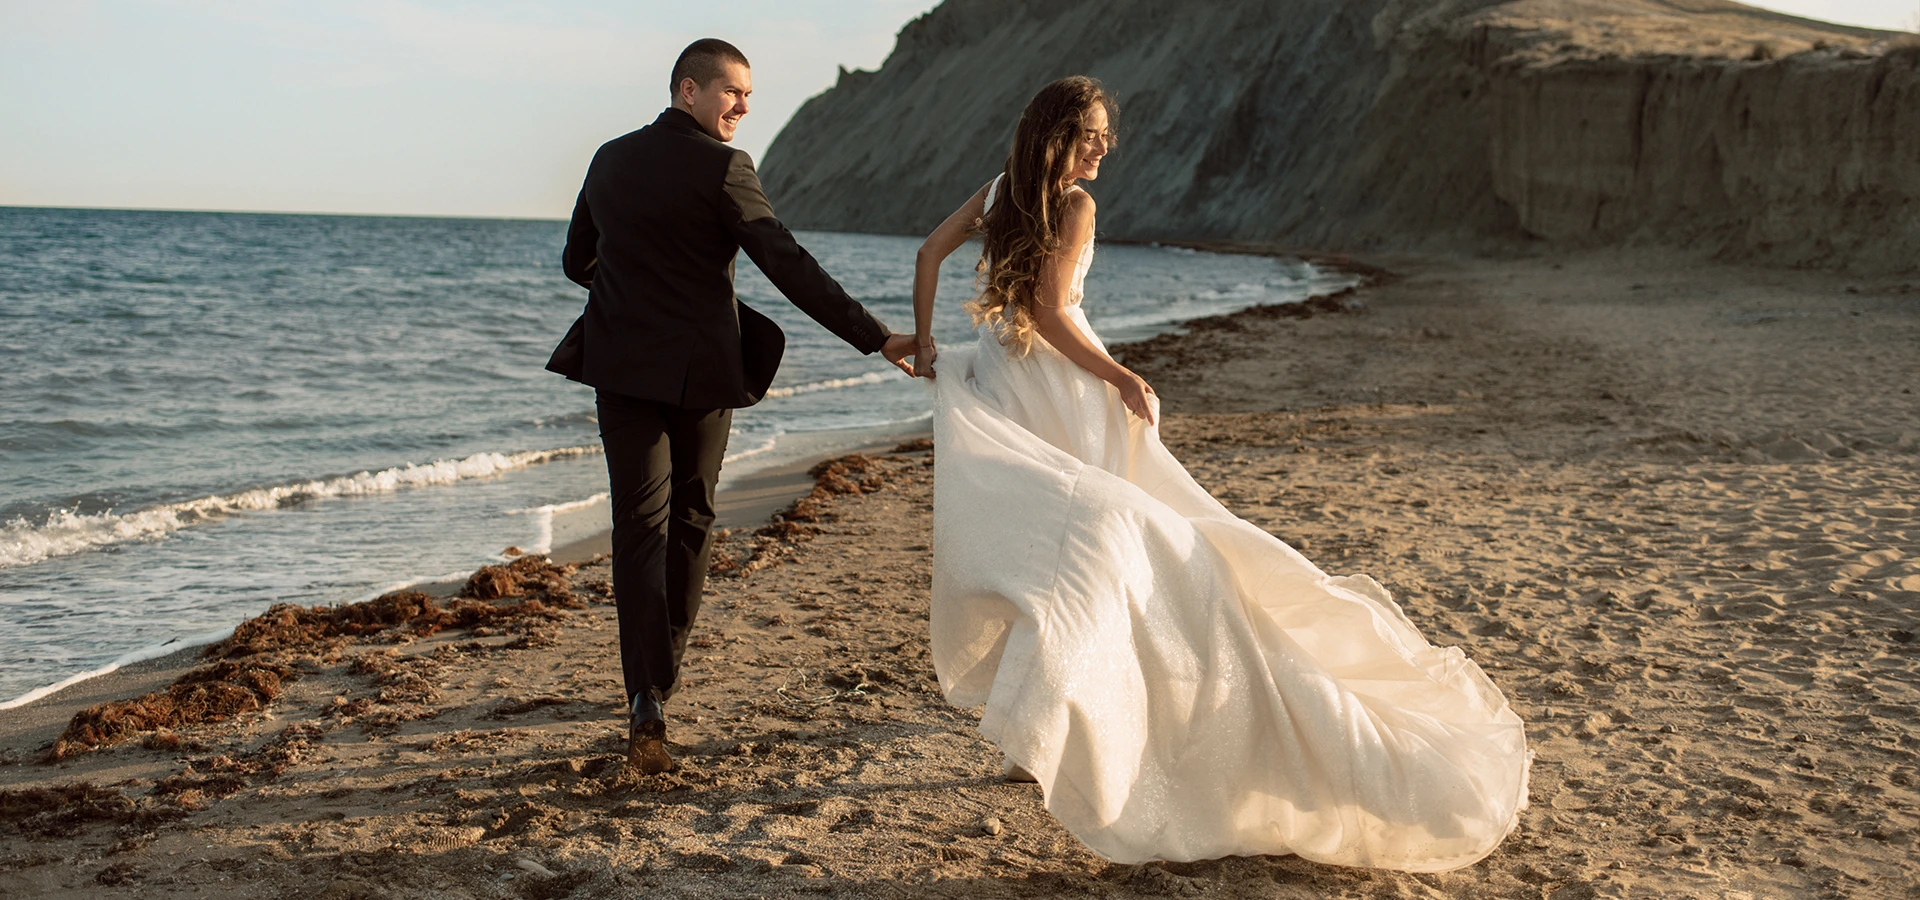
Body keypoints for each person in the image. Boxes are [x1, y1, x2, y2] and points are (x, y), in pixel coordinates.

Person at [910, 76, 1532, 871]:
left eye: (1107, 134)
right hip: (1065, 394)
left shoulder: (1003, 192)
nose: (1107, 147)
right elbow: (1051, 309)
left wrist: (929, 347)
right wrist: (1121, 378)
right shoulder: (1072, 206)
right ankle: (1054, 728)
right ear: (1060, 135)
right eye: (1094, 134)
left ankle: (1040, 733)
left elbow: (930, 254)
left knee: (1057, 563)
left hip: (1008, 388)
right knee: (1117, 557)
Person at [552, 38, 917, 775]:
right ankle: (659, 682)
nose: (745, 107)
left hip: (618, 364)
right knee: (691, 516)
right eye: (733, 92)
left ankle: (642, 695)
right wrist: (875, 337)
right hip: (696, 372)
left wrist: (633, 293)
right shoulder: (725, 167)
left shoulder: (609, 158)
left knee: (637, 527)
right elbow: (785, 262)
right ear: (689, 89)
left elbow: (575, 260)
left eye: (748, 95)